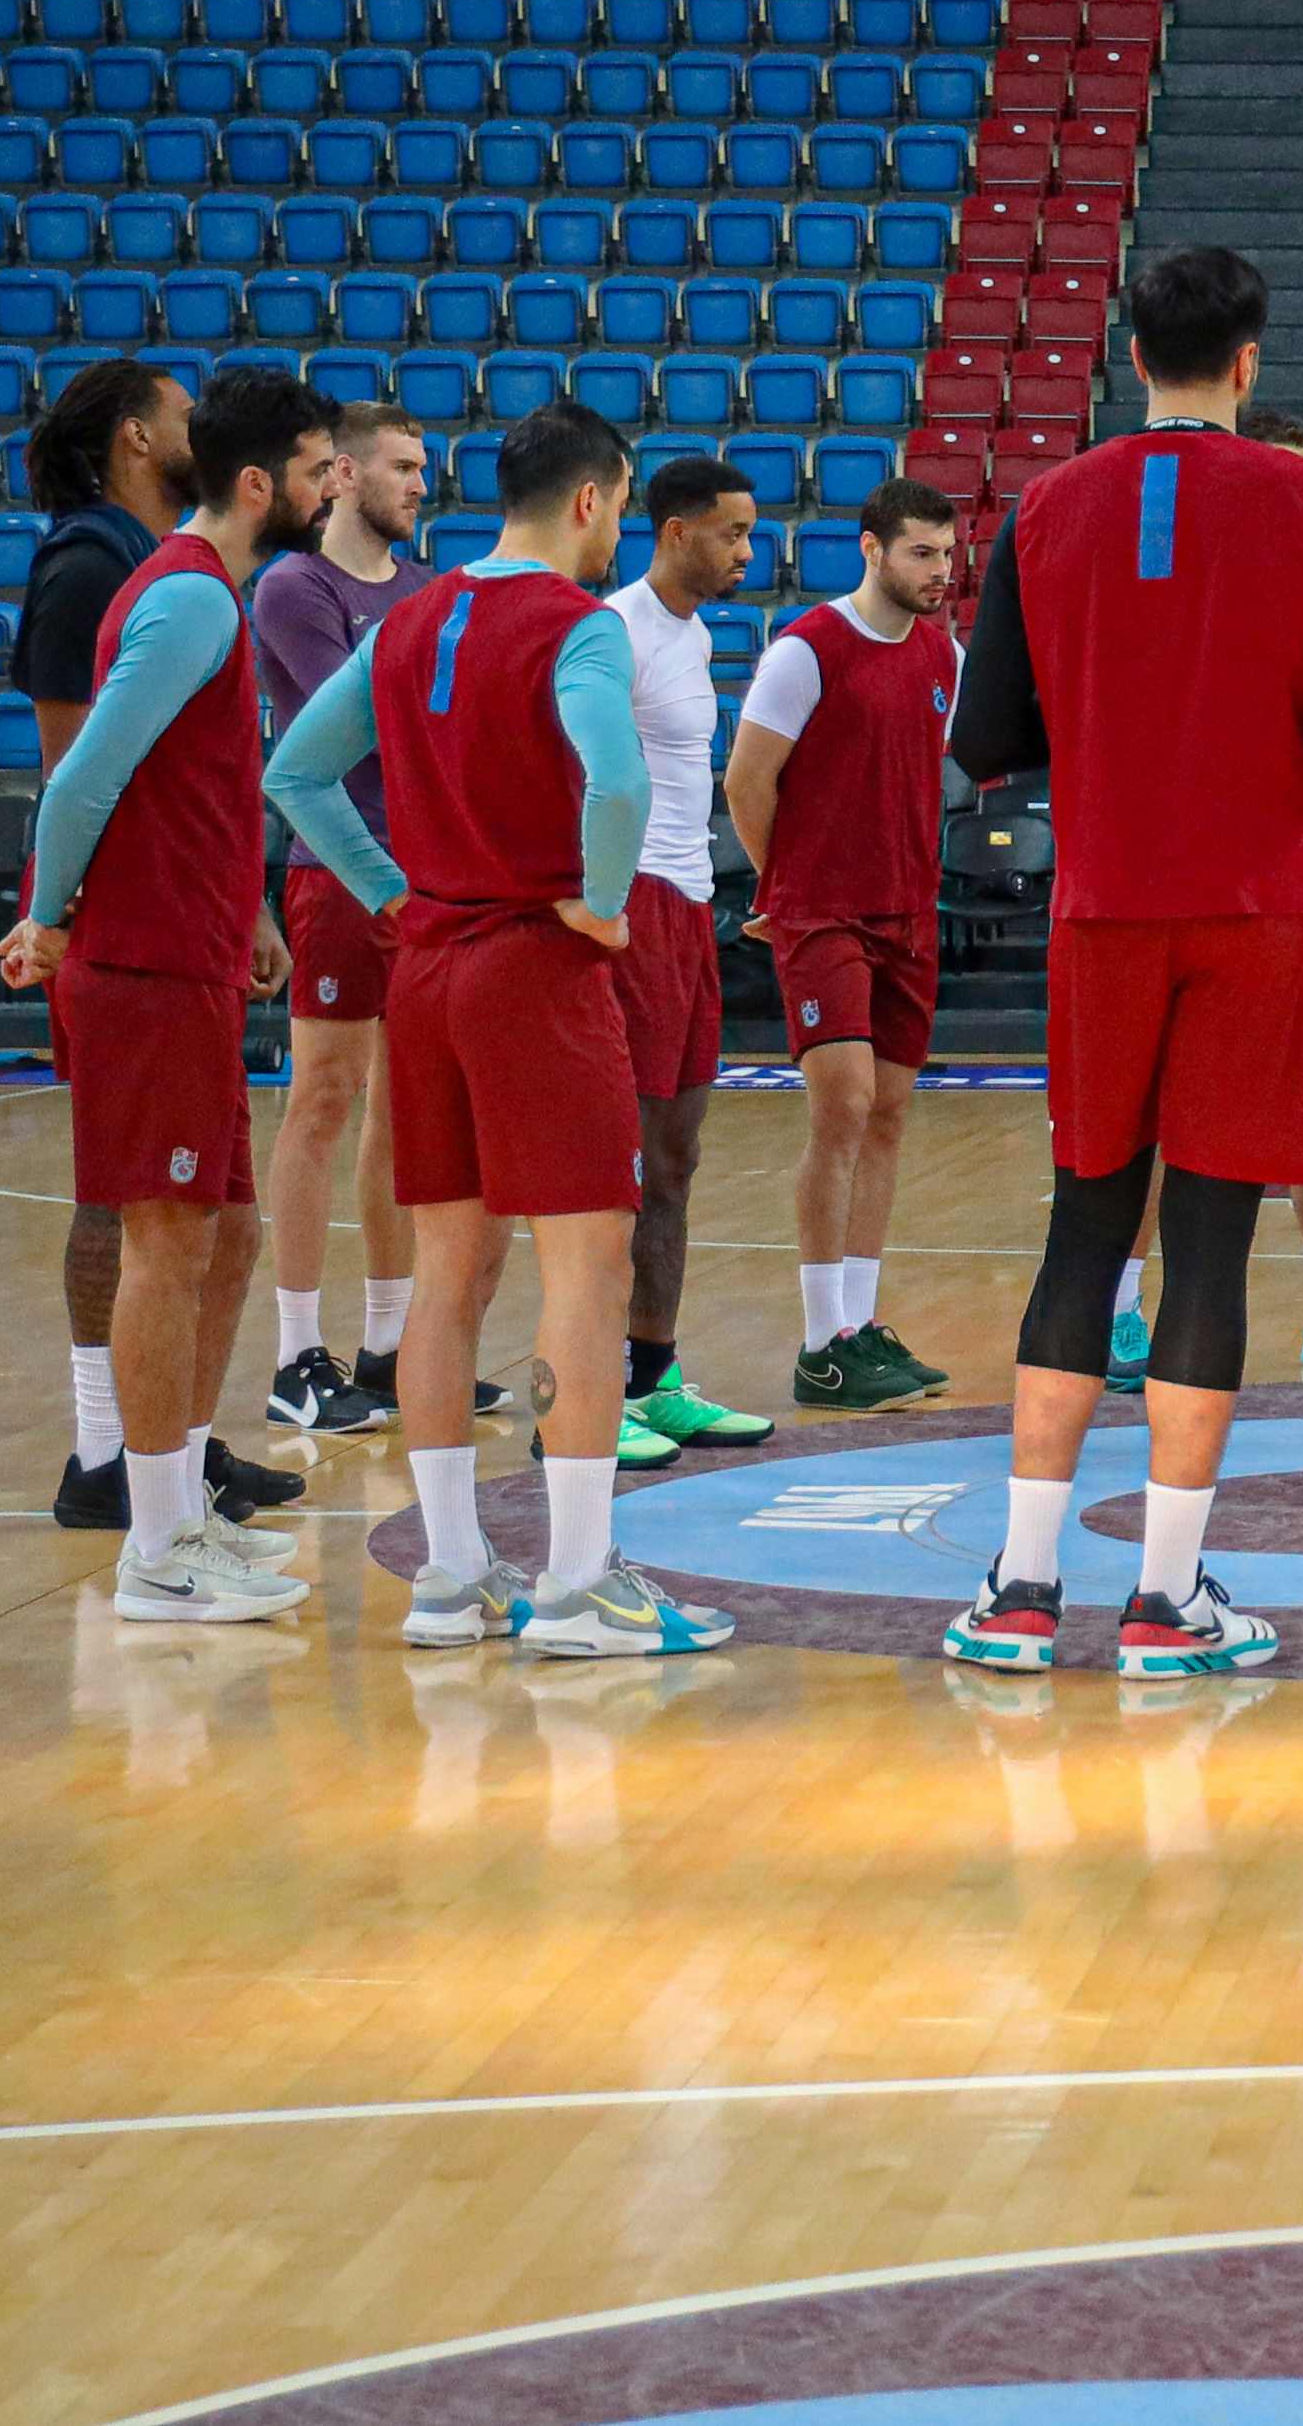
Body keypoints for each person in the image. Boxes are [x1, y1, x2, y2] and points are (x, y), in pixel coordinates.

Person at [939, 245, 1303, 1676]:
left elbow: (981, 738)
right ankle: (1164, 1597)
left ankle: (1021, 1588)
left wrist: (1108, 706)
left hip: (1106, 910)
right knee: (1209, 1242)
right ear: (1249, 362)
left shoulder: (1043, 506)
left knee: (1087, 1230)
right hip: (1259, 911)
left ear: (1131, 354)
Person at [273, 400, 713, 1661]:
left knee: (446, 1278)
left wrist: (387, 891)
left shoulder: (411, 617)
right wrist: (607, 900)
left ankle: (452, 1574)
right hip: (535, 969)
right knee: (587, 1269)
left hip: (428, 970)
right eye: (619, 505)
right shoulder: (578, 624)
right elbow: (617, 778)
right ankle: (577, 1580)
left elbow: (294, 772)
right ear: (590, 499)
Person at [0, 367, 339, 1624]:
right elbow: (85, 772)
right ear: (257, 484)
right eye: (314, 470)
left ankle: (183, 1503)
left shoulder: (206, 593)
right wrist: (49, 913)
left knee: (229, 1234)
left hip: (189, 959)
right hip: (139, 966)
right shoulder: (189, 596)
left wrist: (241, 907)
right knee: (166, 1240)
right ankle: (153, 1545)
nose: (328, 489)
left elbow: (187, 787)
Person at [1102, 405, 1303, 1388]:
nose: (1297, 500)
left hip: (1292, 869)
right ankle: (1119, 1311)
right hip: (1181, 874)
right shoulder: (1184, 599)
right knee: (1157, 1101)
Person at [727, 474, 963, 1414]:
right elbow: (747, 781)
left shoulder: (943, 654)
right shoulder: (805, 650)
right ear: (871, 549)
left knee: (890, 1114)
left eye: (947, 554)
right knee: (845, 1104)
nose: (940, 571)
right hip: (823, 911)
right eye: (921, 553)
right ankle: (820, 1343)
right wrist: (784, 889)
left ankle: (858, 1327)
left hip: (909, 911)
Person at [246, 401, 421, 1445]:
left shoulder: (426, 587)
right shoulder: (294, 586)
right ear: (345, 477)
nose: (419, 484)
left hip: (421, 876)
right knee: (322, 1100)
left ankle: (390, 1351)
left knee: (405, 1115)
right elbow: (360, 719)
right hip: (337, 871)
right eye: (401, 466)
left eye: (422, 467)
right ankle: (296, 1358)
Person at [604, 454, 778, 1465]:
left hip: (691, 905)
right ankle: (592, 1389)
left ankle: (652, 1374)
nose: (748, 552)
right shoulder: (615, 631)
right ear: (674, 530)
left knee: (674, 1158)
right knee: (617, 1165)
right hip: (632, 909)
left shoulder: (697, 633)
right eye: (732, 533)